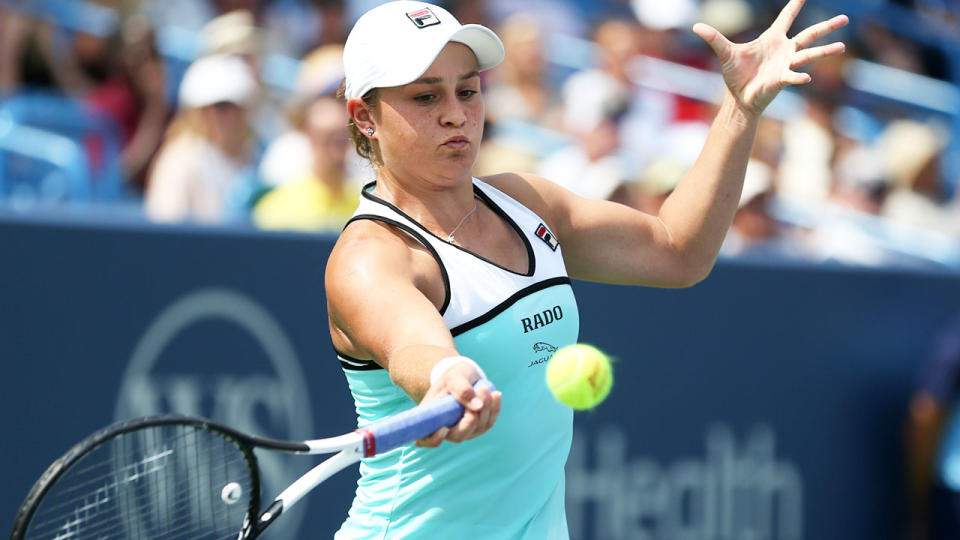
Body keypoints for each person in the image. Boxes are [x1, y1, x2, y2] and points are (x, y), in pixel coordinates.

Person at [325, 1, 847, 537]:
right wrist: (445, 377)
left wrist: (740, 108)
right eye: (425, 96)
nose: (456, 113)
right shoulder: (370, 256)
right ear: (365, 116)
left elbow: (678, 251)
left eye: (468, 89)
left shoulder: (527, 203)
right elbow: (415, 346)